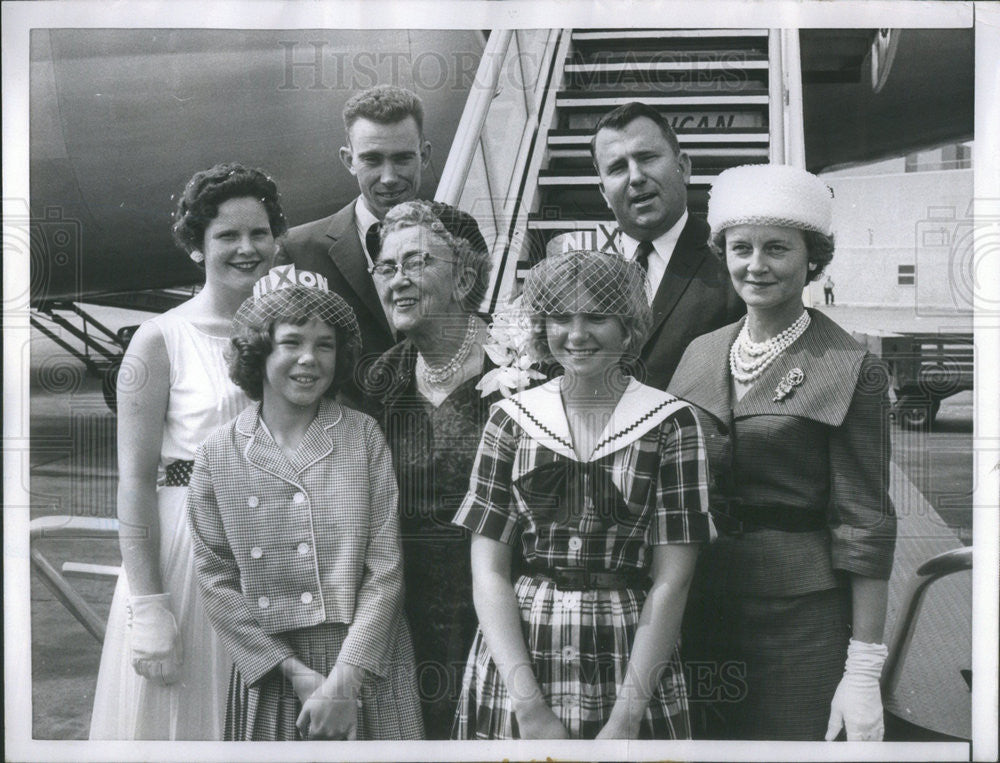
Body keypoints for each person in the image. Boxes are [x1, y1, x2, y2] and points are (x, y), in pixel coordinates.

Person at [669, 163, 897, 741]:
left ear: (811, 257)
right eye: (740, 248)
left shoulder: (850, 367)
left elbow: (865, 524)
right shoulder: (700, 352)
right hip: (699, 605)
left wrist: (864, 668)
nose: (756, 265)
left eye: (777, 248)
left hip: (798, 619)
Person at [452, 250, 711, 740]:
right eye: (559, 317)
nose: (576, 334)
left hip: (628, 647)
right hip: (521, 652)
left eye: (596, 316)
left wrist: (627, 717)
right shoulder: (511, 420)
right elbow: (488, 570)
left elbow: (673, 580)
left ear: (628, 325)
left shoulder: (671, 422)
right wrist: (527, 706)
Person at [89, 163, 287, 740]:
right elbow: (134, 481)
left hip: (274, 552)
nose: (247, 248)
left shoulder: (291, 334)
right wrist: (150, 603)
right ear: (198, 248)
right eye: (227, 236)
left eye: (260, 233)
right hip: (189, 551)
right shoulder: (159, 339)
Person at [186, 266, 423, 740]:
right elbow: (217, 580)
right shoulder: (219, 453)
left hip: (365, 661)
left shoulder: (362, 437)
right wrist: (297, 675)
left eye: (325, 345)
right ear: (258, 350)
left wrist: (343, 681)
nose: (309, 359)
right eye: (292, 342)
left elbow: (385, 569)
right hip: (278, 672)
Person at [361, 200, 497, 738]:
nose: (398, 281)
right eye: (387, 268)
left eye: (416, 263)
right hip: (407, 610)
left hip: (500, 603)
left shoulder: (522, 363)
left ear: (464, 275)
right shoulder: (383, 377)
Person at [281, 85, 432, 399]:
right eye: (372, 160)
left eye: (403, 159)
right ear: (349, 160)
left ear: (425, 155)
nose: (389, 177)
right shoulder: (297, 250)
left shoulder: (458, 240)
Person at [590, 101, 744, 389]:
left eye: (647, 157)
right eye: (617, 168)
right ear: (604, 193)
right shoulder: (587, 271)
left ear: (683, 167)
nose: (635, 177)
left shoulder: (733, 262)